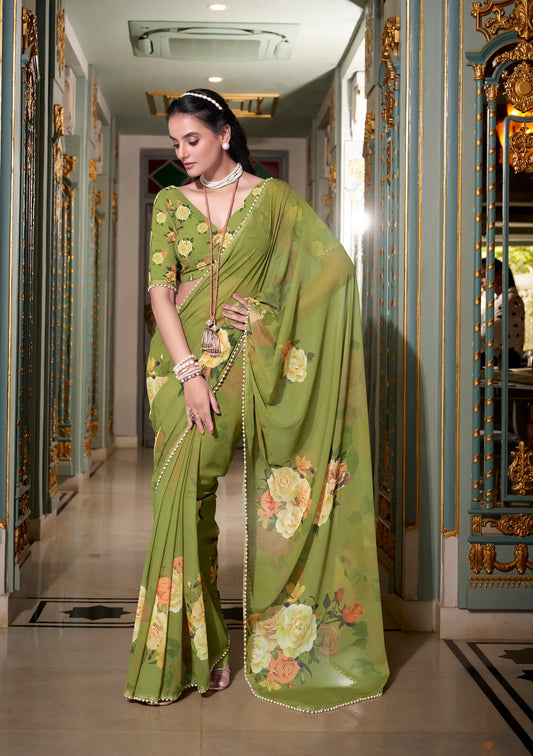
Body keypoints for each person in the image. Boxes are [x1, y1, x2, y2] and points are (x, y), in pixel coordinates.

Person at [124, 88, 389, 711]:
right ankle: (199, 650)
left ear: (224, 134)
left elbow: (333, 270)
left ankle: (211, 648)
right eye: (174, 143)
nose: (182, 152)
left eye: (192, 139)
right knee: (180, 498)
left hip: (243, 361)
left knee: (202, 490)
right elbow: (160, 291)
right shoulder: (170, 203)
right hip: (178, 368)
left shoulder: (273, 201)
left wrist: (269, 310)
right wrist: (188, 372)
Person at [480, 258, 525, 368]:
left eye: (484, 276)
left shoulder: (509, 299)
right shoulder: (500, 300)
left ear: (500, 274)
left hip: (506, 362)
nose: (480, 281)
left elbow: (487, 332)